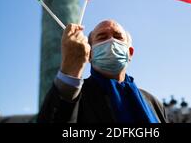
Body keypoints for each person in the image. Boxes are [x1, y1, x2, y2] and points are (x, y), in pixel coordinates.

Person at [37, 20, 167, 123]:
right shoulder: (75, 96)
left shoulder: (153, 103)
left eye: (118, 37)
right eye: (102, 37)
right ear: (89, 53)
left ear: (130, 53)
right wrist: (70, 70)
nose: (111, 41)